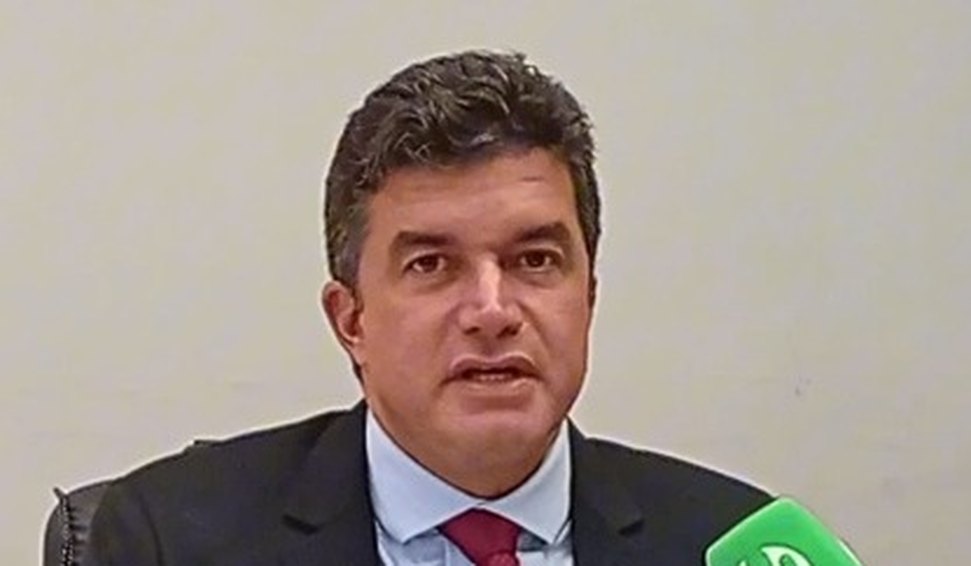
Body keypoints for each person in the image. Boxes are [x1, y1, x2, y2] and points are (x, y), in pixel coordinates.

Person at [84, 50, 770, 565]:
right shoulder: (172, 540)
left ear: (587, 297)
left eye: (534, 260)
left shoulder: (730, 545)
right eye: (432, 265)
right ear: (351, 321)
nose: (492, 311)